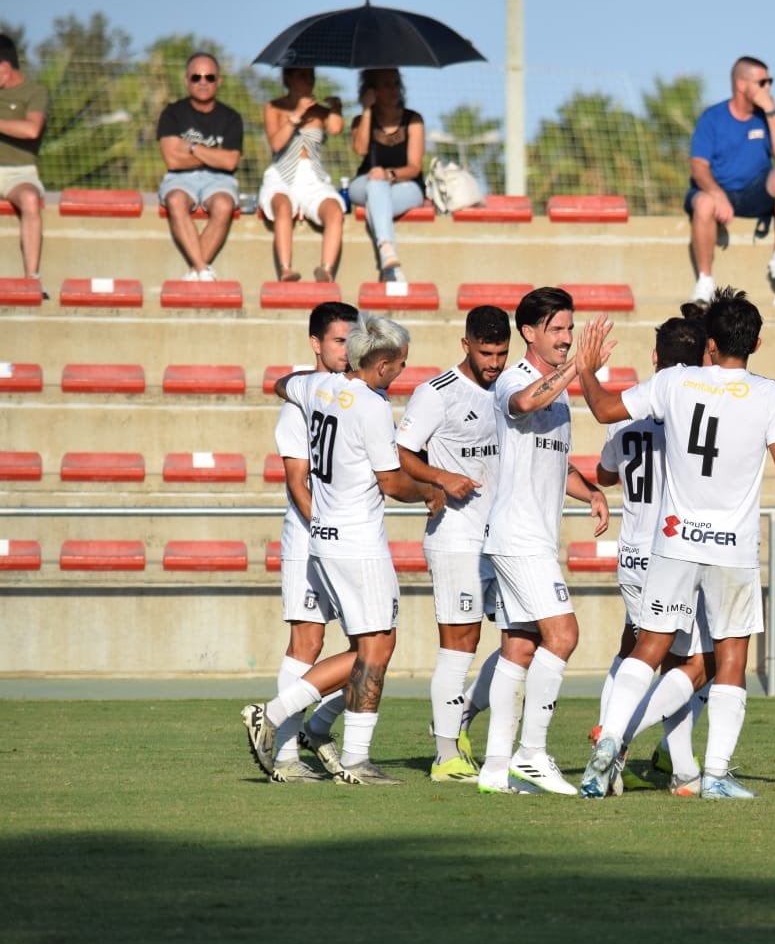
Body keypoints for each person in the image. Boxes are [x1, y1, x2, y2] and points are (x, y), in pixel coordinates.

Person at [576, 286, 775, 800]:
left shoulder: (676, 382)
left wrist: (586, 370)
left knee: (648, 648)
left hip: (674, 542)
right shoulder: (770, 394)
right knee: (729, 660)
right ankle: (715, 775)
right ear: (754, 343)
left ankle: (610, 743)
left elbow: (602, 411)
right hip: (731, 548)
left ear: (711, 341)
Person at [242, 312, 445, 785]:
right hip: (357, 540)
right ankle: (277, 716)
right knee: (377, 647)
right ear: (381, 364)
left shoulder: (319, 388)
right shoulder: (371, 406)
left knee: (369, 646)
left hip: (327, 535)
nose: (401, 372)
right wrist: (432, 491)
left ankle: (344, 751)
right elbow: (392, 481)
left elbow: (284, 385)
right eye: (400, 364)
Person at [474, 287, 609, 796]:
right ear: (529, 333)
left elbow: (552, 459)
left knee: (519, 646)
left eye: (570, 330)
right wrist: (578, 365)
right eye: (557, 330)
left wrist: (590, 492)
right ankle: (531, 754)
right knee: (564, 635)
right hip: (518, 536)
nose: (566, 338)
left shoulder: (559, 389)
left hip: (528, 536)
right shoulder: (517, 377)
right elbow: (526, 402)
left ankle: (493, 766)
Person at [592, 310, 715, 796]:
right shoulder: (695, 411)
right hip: (675, 552)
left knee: (635, 650)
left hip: (632, 552)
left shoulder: (628, 414)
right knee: (699, 663)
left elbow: (604, 474)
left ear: (655, 358)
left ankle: (682, 772)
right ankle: (614, 743)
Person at [394, 305, 510, 782]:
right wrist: (440, 478)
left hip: (502, 535)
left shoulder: (509, 390)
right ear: (466, 345)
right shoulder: (435, 394)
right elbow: (400, 454)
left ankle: (459, 717)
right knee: (459, 645)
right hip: (456, 536)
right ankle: (446, 756)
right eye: (486, 353)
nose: (495, 363)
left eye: (502, 353)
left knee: (524, 639)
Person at [266, 301, 359, 782]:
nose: (348, 350)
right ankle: (282, 754)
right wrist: (326, 530)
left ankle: (317, 727)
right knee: (309, 639)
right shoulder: (298, 406)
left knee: (374, 644)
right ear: (316, 344)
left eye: (353, 340)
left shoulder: (352, 396)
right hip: (310, 540)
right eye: (340, 340)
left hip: (343, 539)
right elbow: (299, 483)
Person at [685, 56, 775, 305]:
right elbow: (698, 167)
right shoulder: (712, 118)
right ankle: (705, 281)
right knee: (703, 203)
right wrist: (717, 194)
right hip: (716, 192)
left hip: (753, 192)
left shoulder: (765, 118)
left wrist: (771, 110)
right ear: (741, 84)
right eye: (762, 82)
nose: (767, 87)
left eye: (770, 81)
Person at [157, 52, 243, 281]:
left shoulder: (231, 117)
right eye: (196, 77)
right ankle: (203, 270)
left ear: (219, 81)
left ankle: (196, 271)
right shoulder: (172, 114)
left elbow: (231, 161)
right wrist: (216, 154)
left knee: (224, 204)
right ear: (187, 80)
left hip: (220, 180)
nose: (203, 82)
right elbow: (173, 160)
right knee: (175, 200)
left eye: (209, 77)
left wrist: (192, 147)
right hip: (180, 178)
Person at [259, 67, 345, 282]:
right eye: (302, 76)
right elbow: (277, 143)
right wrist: (295, 116)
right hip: (282, 173)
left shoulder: (319, 111)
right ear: (288, 78)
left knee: (334, 210)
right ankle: (286, 269)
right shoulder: (273, 107)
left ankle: (326, 270)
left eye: (311, 76)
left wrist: (335, 109)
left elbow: (335, 128)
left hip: (312, 176)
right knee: (283, 206)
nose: (309, 81)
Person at [348, 69, 424, 283]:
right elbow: (360, 149)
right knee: (375, 186)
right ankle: (388, 252)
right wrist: (367, 110)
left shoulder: (413, 120)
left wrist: (389, 174)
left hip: (406, 185)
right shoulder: (360, 120)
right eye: (386, 85)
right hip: (364, 183)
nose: (394, 89)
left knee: (378, 193)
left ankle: (389, 263)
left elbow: (415, 167)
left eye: (396, 83)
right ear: (372, 90)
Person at [0, 33, 47, 293]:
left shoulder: (35, 92)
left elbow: (31, 129)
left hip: (20, 173)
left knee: (30, 199)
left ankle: (32, 279)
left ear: (4, 68)